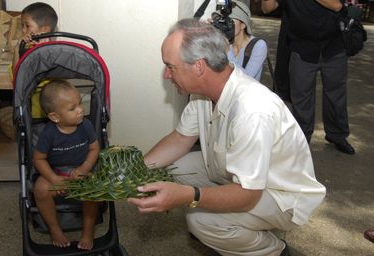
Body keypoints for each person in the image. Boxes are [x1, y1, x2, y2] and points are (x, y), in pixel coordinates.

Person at [128, 18, 326, 256]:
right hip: (242, 176)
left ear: (199, 66)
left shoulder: (251, 110)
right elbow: (180, 139)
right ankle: (225, 222)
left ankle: (276, 251)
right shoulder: (201, 93)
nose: (167, 76)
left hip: (280, 196)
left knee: (200, 219)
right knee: (170, 169)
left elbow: (247, 195)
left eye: (171, 66)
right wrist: (133, 171)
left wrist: (188, 196)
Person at [261, 0, 355, 154]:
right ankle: (302, 137)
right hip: (301, 47)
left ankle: (337, 135)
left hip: (333, 45)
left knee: (336, 94)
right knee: (301, 97)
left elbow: (337, 5)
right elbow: (267, 8)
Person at [33, 79, 100, 250]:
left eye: (79, 103)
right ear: (55, 116)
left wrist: (85, 168)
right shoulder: (49, 133)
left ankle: (88, 231)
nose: (80, 110)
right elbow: (39, 159)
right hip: (57, 172)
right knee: (40, 189)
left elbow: (94, 149)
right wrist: (53, 178)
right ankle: (55, 229)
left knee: (95, 188)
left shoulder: (86, 125)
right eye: (73, 108)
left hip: (82, 170)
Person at [12, 2, 58, 119]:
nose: (23, 30)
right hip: (31, 114)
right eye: (22, 26)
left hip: (55, 112)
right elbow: (16, 75)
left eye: (27, 26)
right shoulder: (25, 51)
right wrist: (18, 48)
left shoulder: (58, 51)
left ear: (45, 29)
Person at [218, 0, 268, 81]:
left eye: (229, 21)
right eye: (223, 20)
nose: (224, 25)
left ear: (243, 25)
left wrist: (227, 50)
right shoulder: (223, 41)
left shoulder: (258, 45)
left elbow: (246, 78)